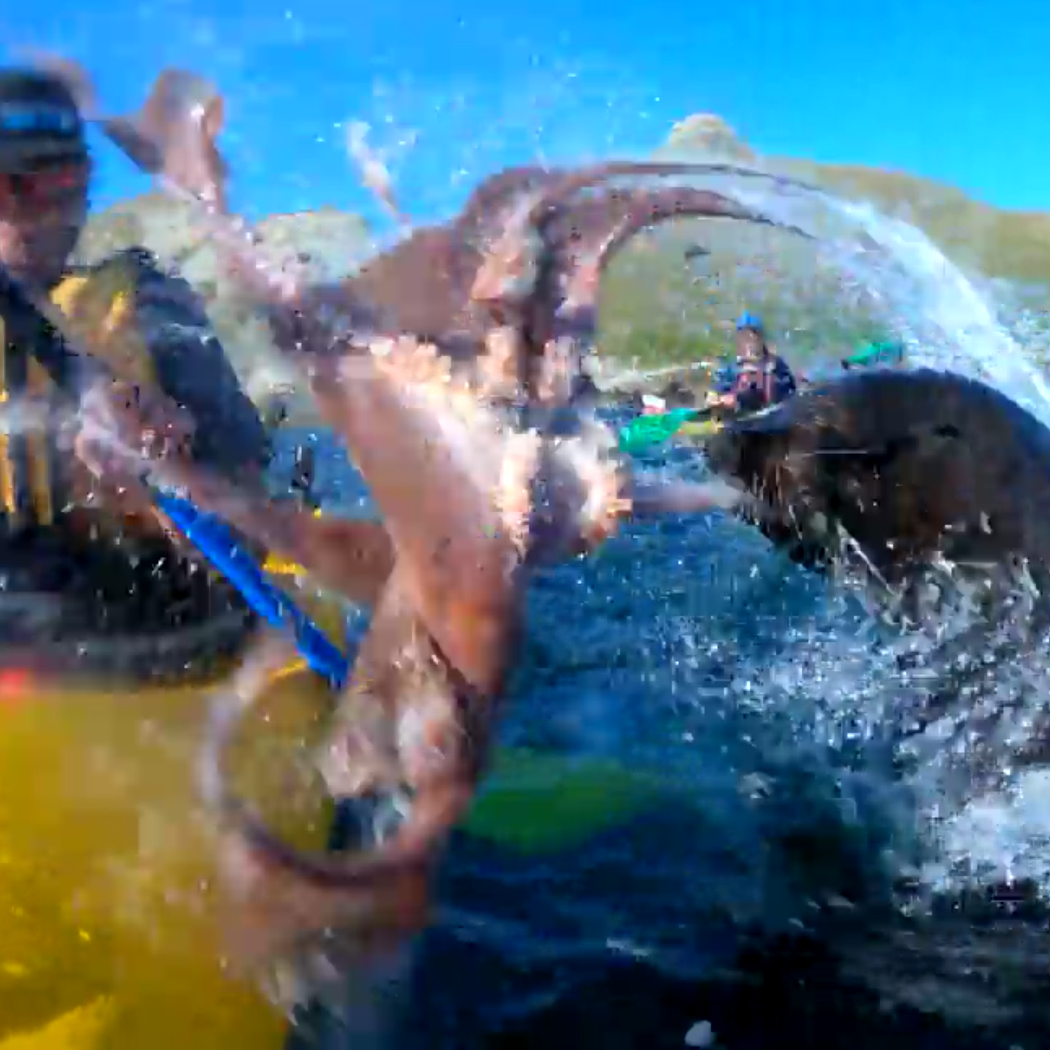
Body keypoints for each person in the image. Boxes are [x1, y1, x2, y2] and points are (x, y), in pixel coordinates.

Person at [0, 67, 271, 654]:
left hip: (132, 627)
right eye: (1, 185)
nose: (20, 212)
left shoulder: (148, 300)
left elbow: (252, 523)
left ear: (84, 188)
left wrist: (173, 467)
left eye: (49, 183)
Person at [706, 312, 797, 413]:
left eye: (753, 334)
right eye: (744, 336)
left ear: (762, 338)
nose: (749, 339)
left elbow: (790, 390)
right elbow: (718, 386)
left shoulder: (777, 364)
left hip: (774, 418)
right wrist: (715, 396)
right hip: (741, 419)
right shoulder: (733, 366)